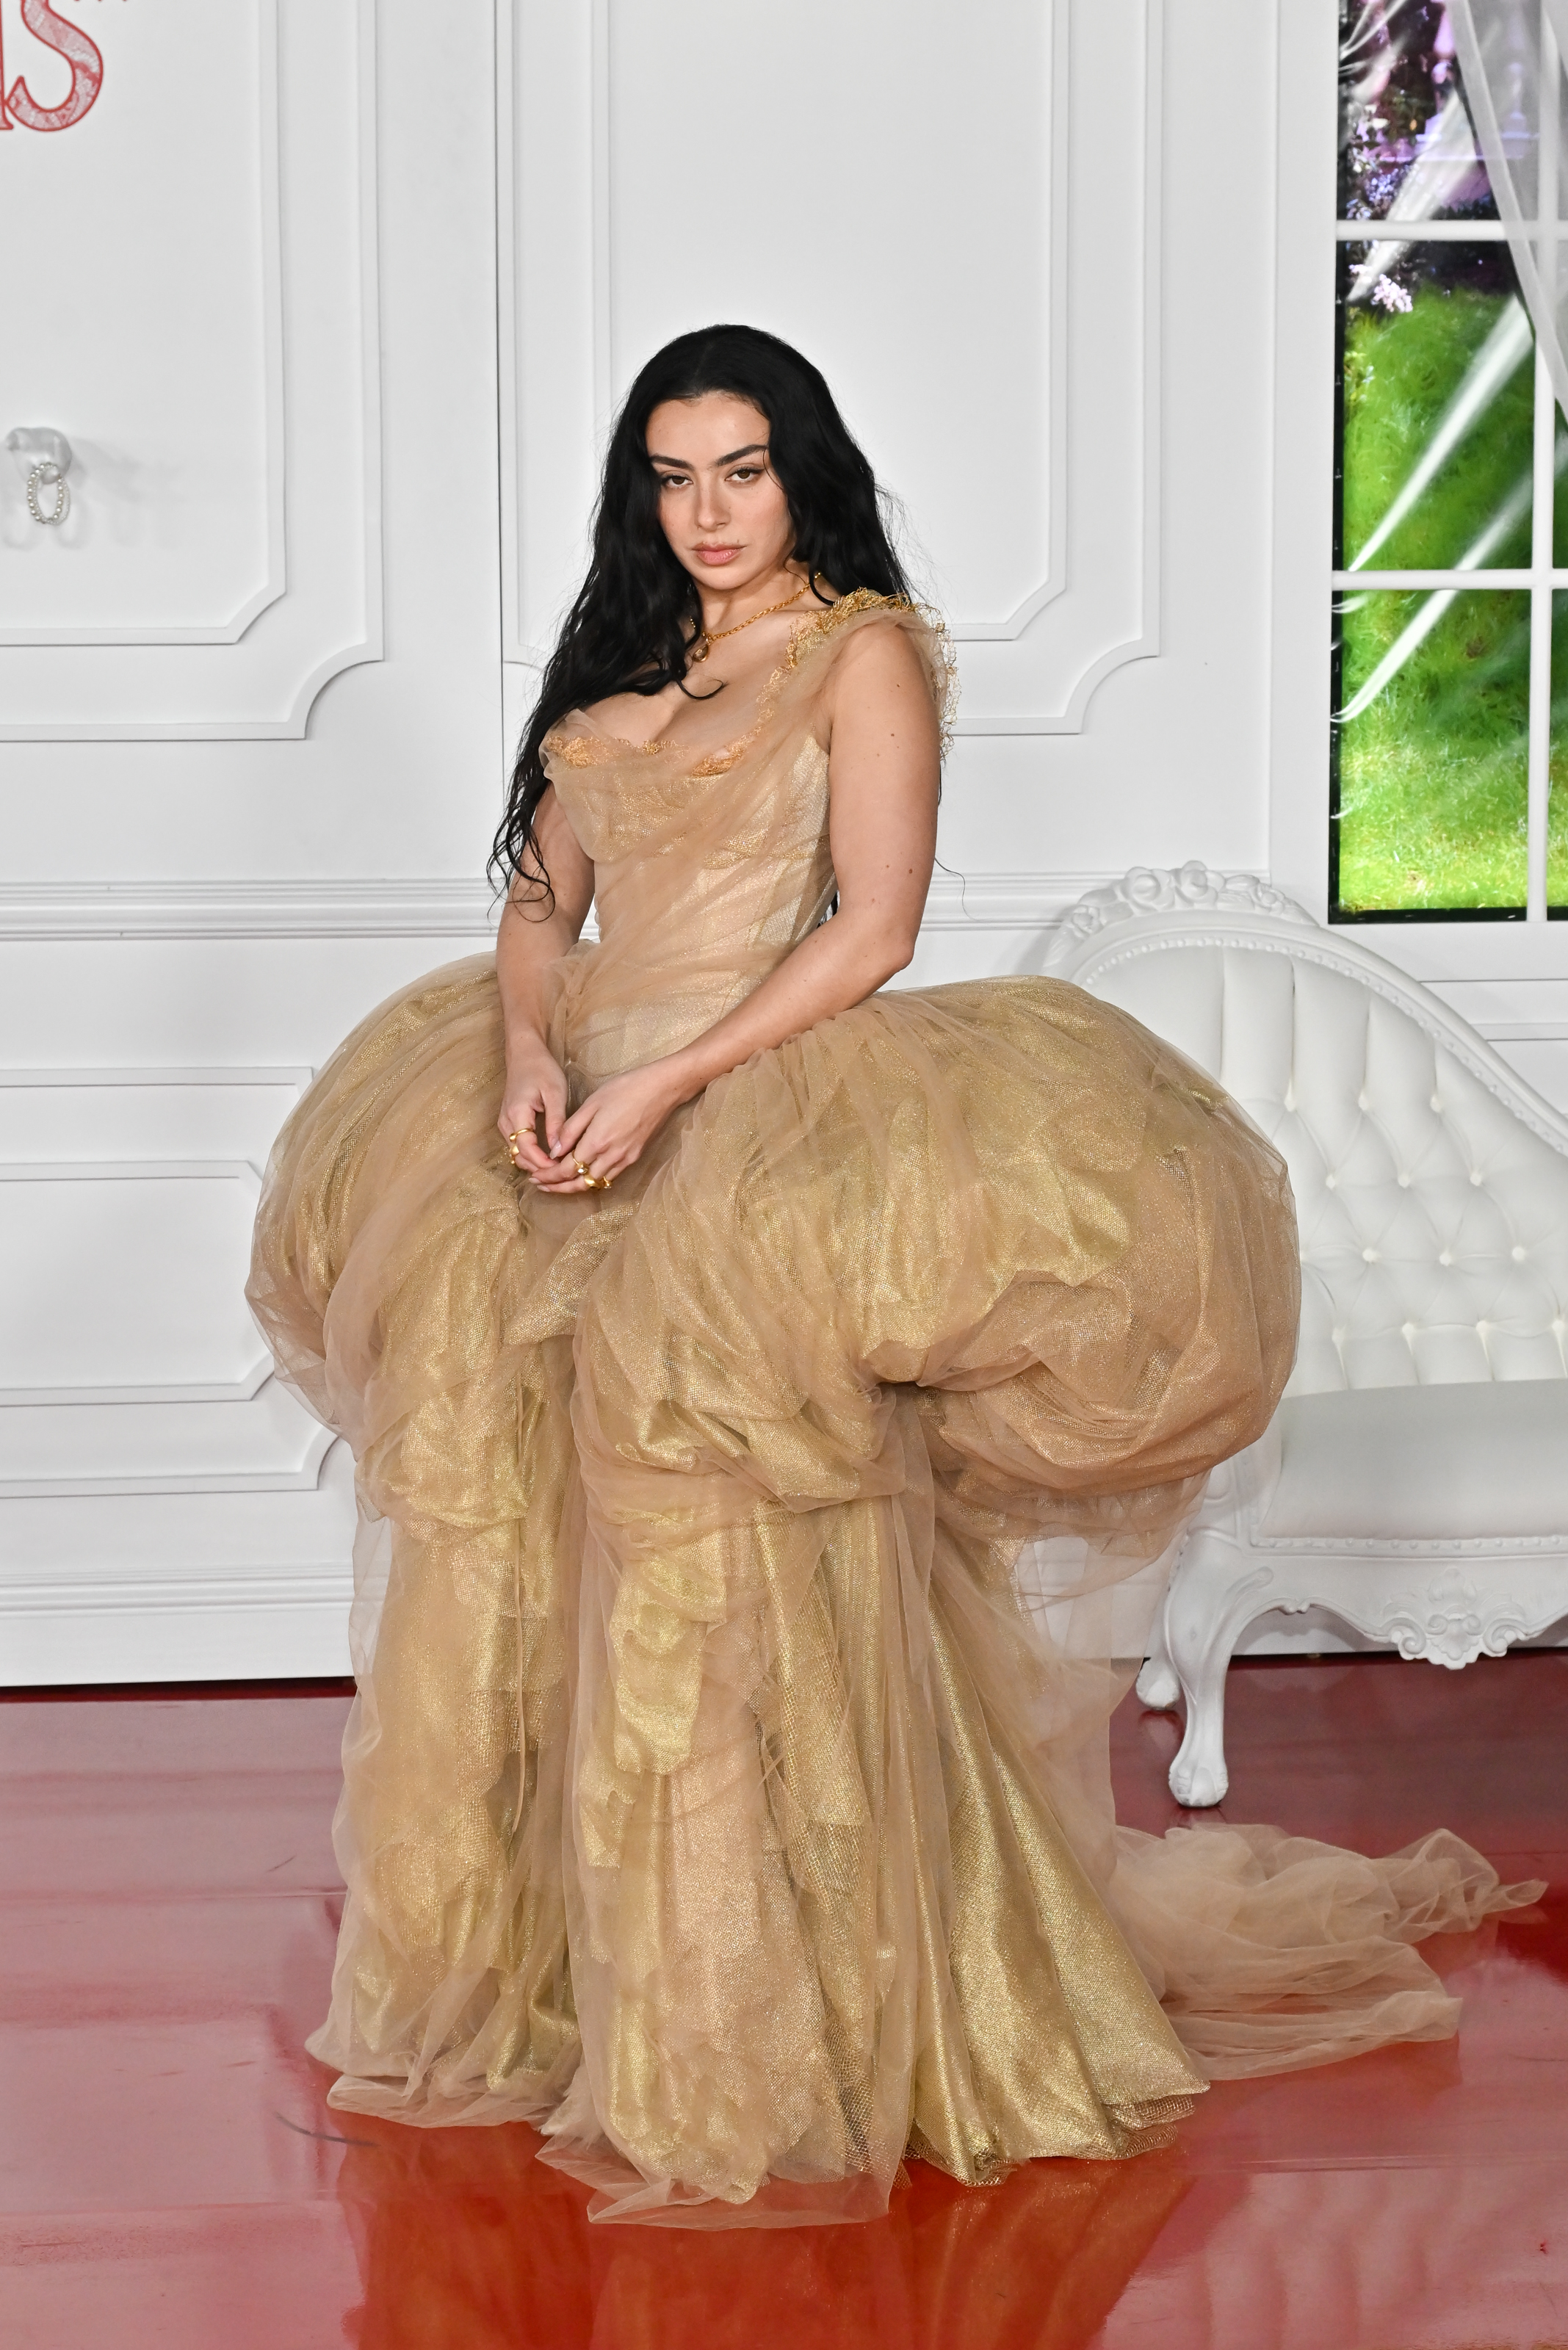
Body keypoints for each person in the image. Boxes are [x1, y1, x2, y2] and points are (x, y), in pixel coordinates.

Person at [249, 324, 1534, 2228]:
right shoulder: (623, 664)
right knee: (511, 1541)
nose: (706, 513)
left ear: (803, 472)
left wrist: (671, 1078)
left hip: (763, 1104)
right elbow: (537, 909)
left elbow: (879, 922)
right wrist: (534, 1057)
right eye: (674, 476)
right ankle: (553, 1997)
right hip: (568, 1108)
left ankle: (765, 2023)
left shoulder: (865, 654)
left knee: (732, 1551)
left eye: (741, 471)